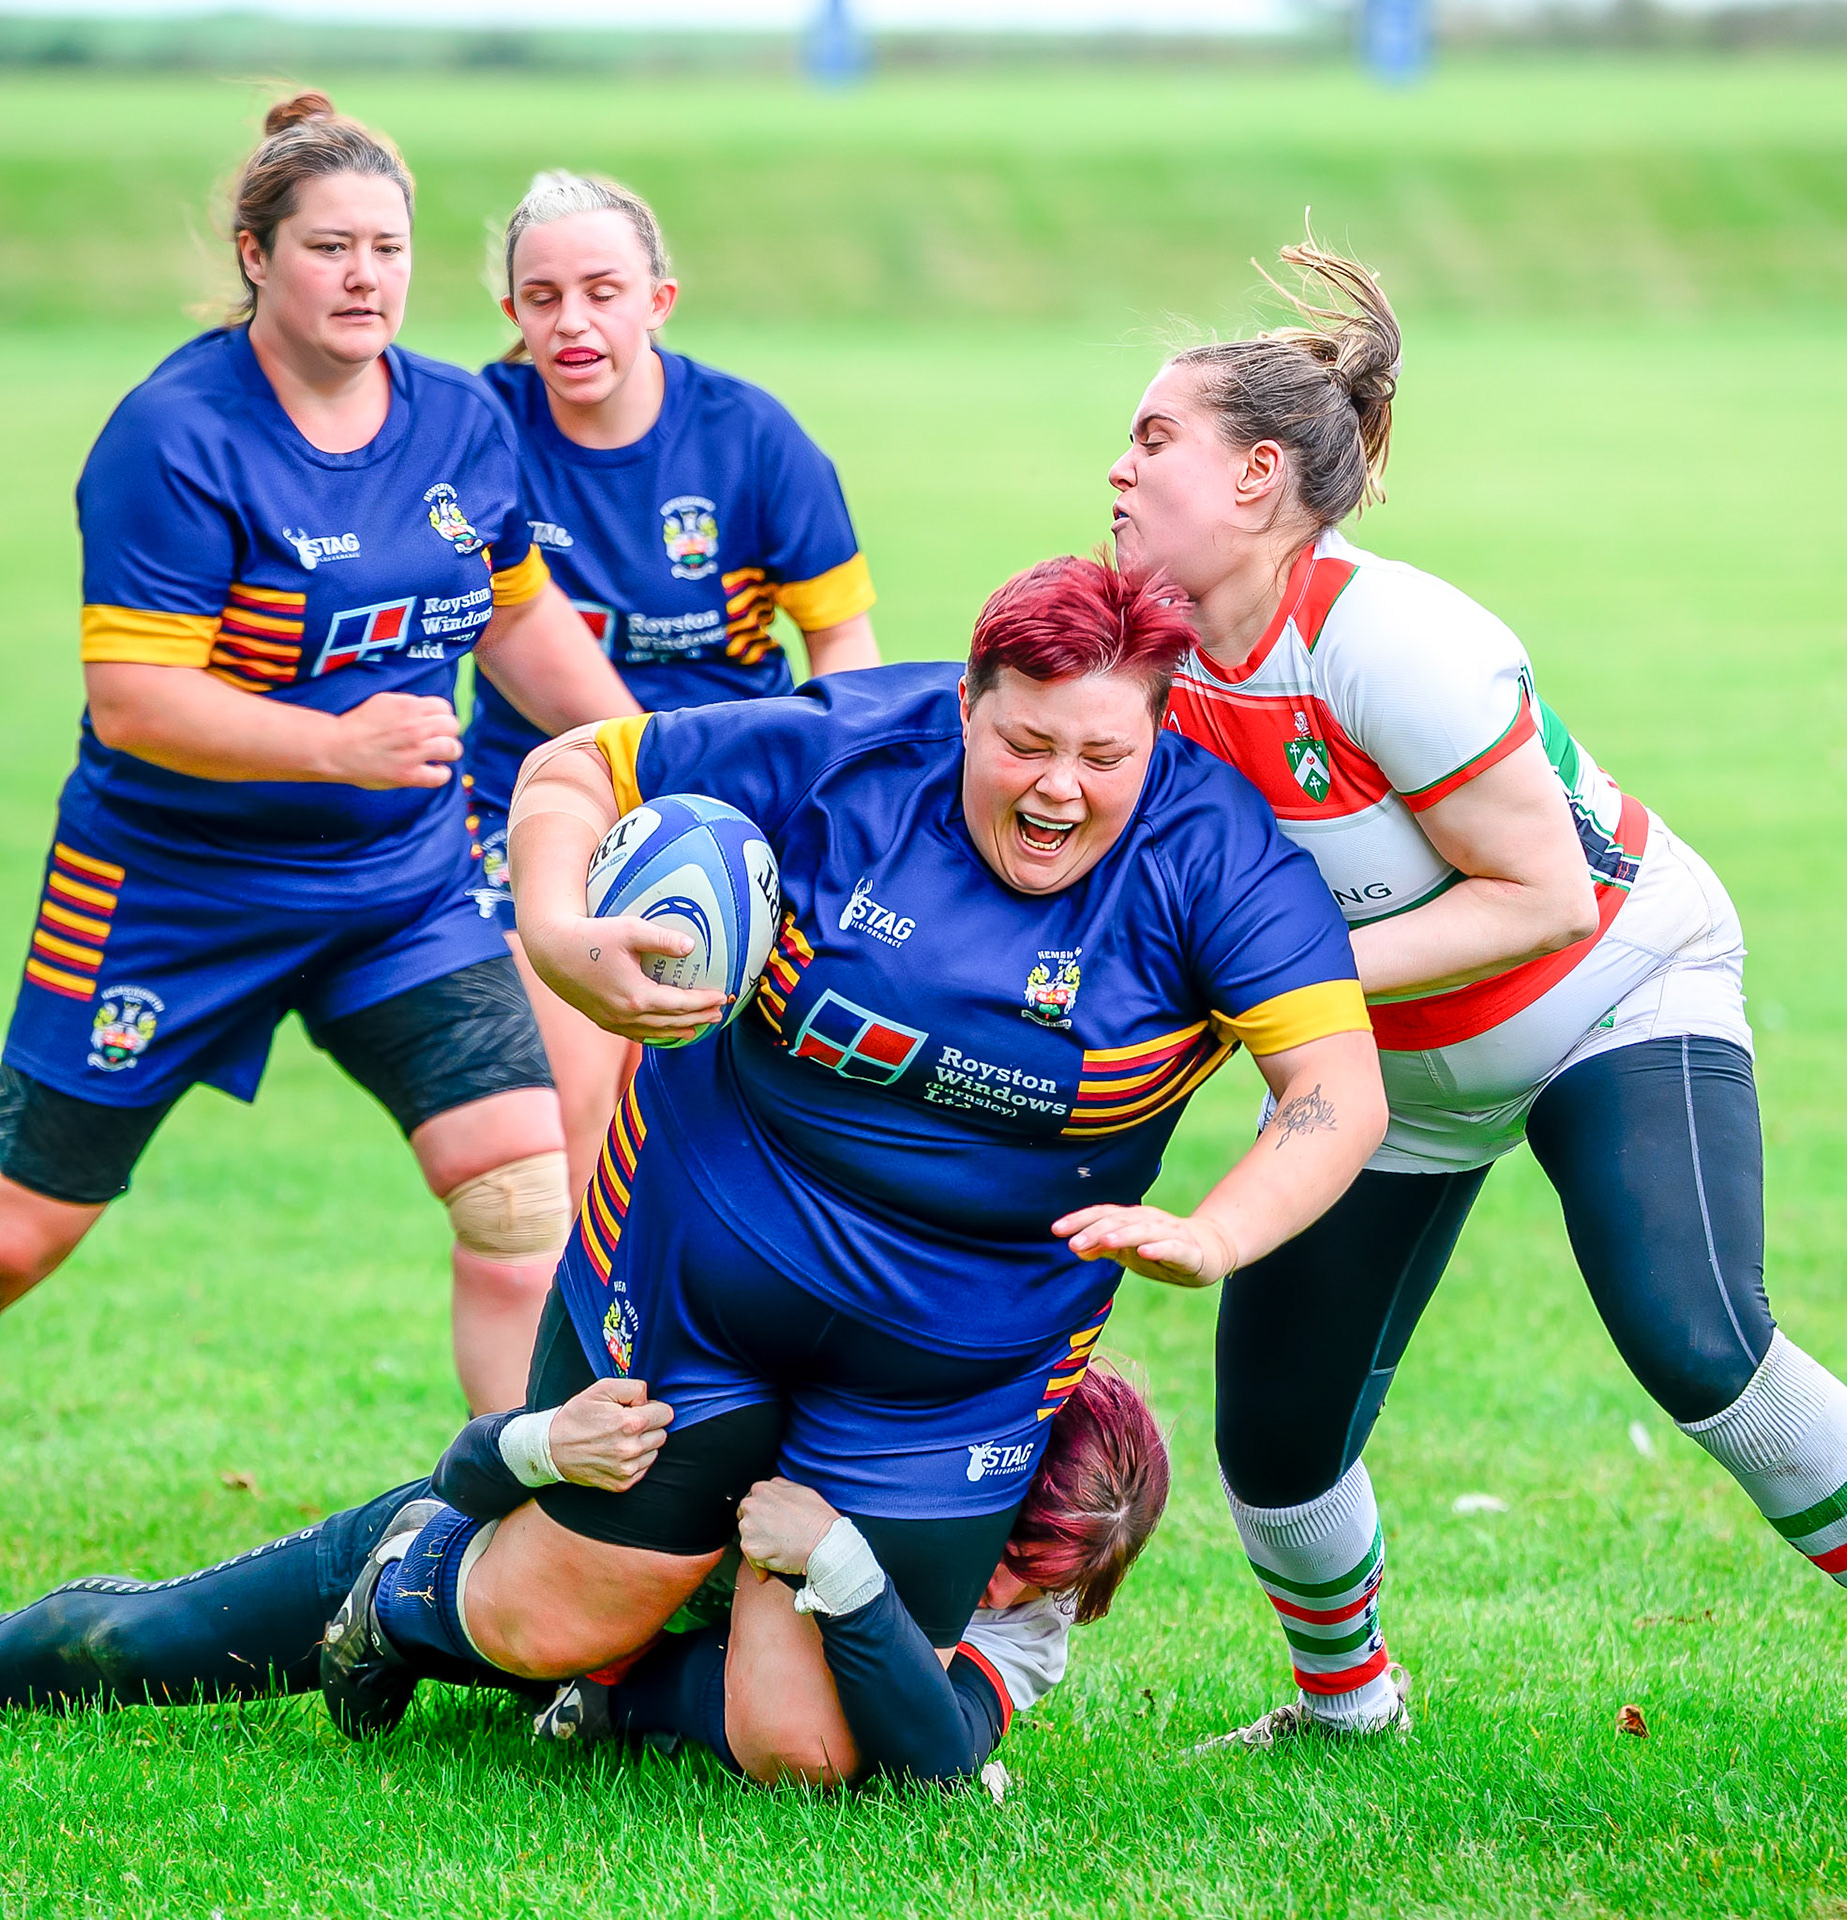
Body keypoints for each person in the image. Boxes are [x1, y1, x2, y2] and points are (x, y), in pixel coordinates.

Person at [314, 554, 1387, 1771]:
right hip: (694, 1273)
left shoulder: (1222, 859)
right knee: (554, 1617)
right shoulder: (862, 744)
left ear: (1158, 735)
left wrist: (1220, 1233)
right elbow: (576, 768)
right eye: (1026, 744)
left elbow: (1336, 1092)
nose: (1059, 789)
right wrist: (560, 937)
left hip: (947, 1364)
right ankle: (405, 1587)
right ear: (967, 706)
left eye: (1104, 758)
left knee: (808, 1742)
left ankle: (609, 1701)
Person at [1106, 233, 1847, 1743]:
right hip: (1396, 1074)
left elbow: (1540, 898)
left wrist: (1278, 979)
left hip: (1614, 990)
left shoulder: (1389, 636)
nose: (1117, 467)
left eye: (1157, 439)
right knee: (1276, 1439)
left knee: (1696, 1343)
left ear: (1259, 479)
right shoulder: (1150, 658)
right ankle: (1348, 1713)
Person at [0, 96, 640, 1410]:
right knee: (22, 1235)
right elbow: (132, 699)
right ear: (255, 256)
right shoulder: (177, 437)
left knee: (522, 1189)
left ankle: (509, 1539)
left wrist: (651, 758)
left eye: (390, 250)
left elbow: (517, 615)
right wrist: (337, 747)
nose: (366, 279)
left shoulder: (463, 422)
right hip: (170, 892)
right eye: (330, 248)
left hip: (395, 890)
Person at [0, 1365, 1169, 1793]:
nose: (1013, 1598)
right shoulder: (821, 1432)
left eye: (1061, 1583)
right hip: (445, 1543)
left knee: (843, 1738)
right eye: (1016, 1559)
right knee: (123, 1654)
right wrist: (546, 1445)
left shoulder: (1001, 1602)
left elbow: (938, 1762)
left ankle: (597, 1704)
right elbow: (468, 1462)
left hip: (575, 1663)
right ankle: (397, 1613)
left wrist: (839, 1568)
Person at [464, 170, 881, 1203]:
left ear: (660, 299)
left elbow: (843, 648)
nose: (573, 321)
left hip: (732, 820)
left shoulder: (751, 438)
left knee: (718, 1138)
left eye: (604, 290)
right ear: (512, 311)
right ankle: (584, 1355)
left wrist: (837, 820)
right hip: (539, 803)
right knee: (569, 1128)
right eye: (543, 297)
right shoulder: (475, 431)